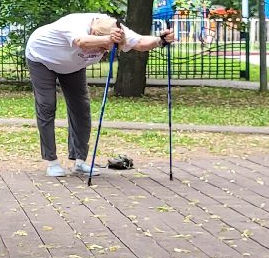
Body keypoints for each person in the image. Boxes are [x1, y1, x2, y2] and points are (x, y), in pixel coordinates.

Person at [23, 12, 171, 177]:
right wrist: (107, 41)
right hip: (42, 58)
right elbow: (81, 41)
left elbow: (141, 43)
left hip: (72, 66)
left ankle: (80, 162)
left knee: (81, 108)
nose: (103, 52)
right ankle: (52, 162)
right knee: (47, 105)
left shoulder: (115, 29)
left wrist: (160, 40)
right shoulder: (74, 24)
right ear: (94, 34)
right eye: (101, 49)